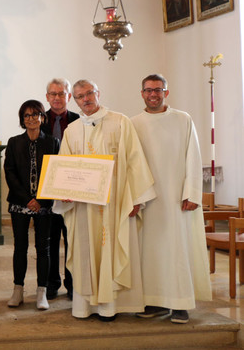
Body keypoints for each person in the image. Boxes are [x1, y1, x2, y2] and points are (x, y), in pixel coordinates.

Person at [53, 79, 156, 321]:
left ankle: (112, 307)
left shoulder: (120, 122)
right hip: (83, 207)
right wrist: (64, 191)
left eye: (89, 93)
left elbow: (135, 161)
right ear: (74, 100)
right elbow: (64, 168)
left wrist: (136, 200)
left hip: (115, 204)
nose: (85, 99)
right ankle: (84, 307)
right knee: (84, 251)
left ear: (98, 94)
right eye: (80, 96)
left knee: (113, 250)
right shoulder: (72, 130)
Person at [131, 74, 212, 324]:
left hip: (177, 198)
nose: (153, 94)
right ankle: (154, 301)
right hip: (148, 199)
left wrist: (192, 193)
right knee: (150, 252)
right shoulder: (133, 123)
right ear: (141, 93)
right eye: (148, 90)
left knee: (176, 251)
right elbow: (130, 164)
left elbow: (194, 157)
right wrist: (133, 197)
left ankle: (180, 304)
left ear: (167, 92)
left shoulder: (182, 119)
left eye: (158, 90)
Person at [4, 99, 58, 311]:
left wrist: (41, 200)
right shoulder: (14, 142)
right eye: (27, 115)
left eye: (36, 114)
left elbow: (55, 173)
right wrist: (27, 199)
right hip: (20, 203)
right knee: (20, 247)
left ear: (42, 118)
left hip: (44, 204)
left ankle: (41, 292)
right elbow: (10, 172)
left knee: (43, 248)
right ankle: (18, 290)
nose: (31, 119)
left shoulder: (52, 142)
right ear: (22, 119)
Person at [40, 78, 79, 300]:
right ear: (47, 97)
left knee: (72, 238)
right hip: (48, 188)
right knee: (50, 238)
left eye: (61, 93)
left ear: (68, 97)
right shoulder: (38, 120)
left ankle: (73, 284)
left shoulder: (79, 121)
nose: (57, 97)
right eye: (53, 94)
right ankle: (52, 283)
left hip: (73, 188)